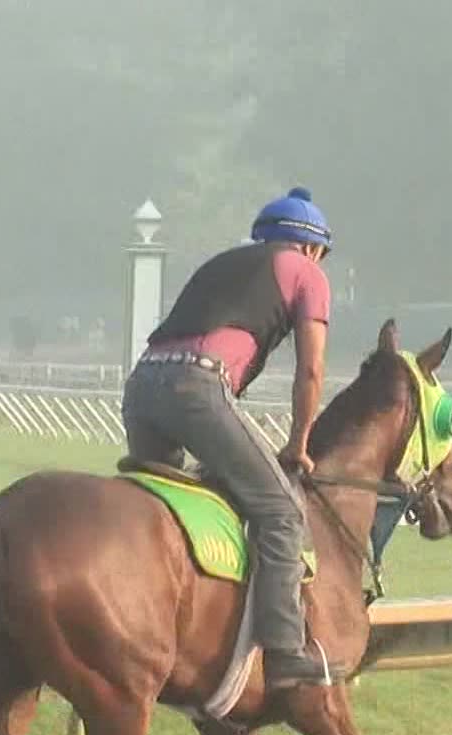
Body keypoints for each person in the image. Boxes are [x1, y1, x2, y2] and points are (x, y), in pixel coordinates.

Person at [121, 187, 335, 690]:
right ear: (309, 248)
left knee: (168, 511)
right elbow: (312, 371)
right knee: (281, 509)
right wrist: (299, 443)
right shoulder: (307, 272)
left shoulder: (224, 262)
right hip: (195, 387)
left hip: (141, 386)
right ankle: (283, 650)